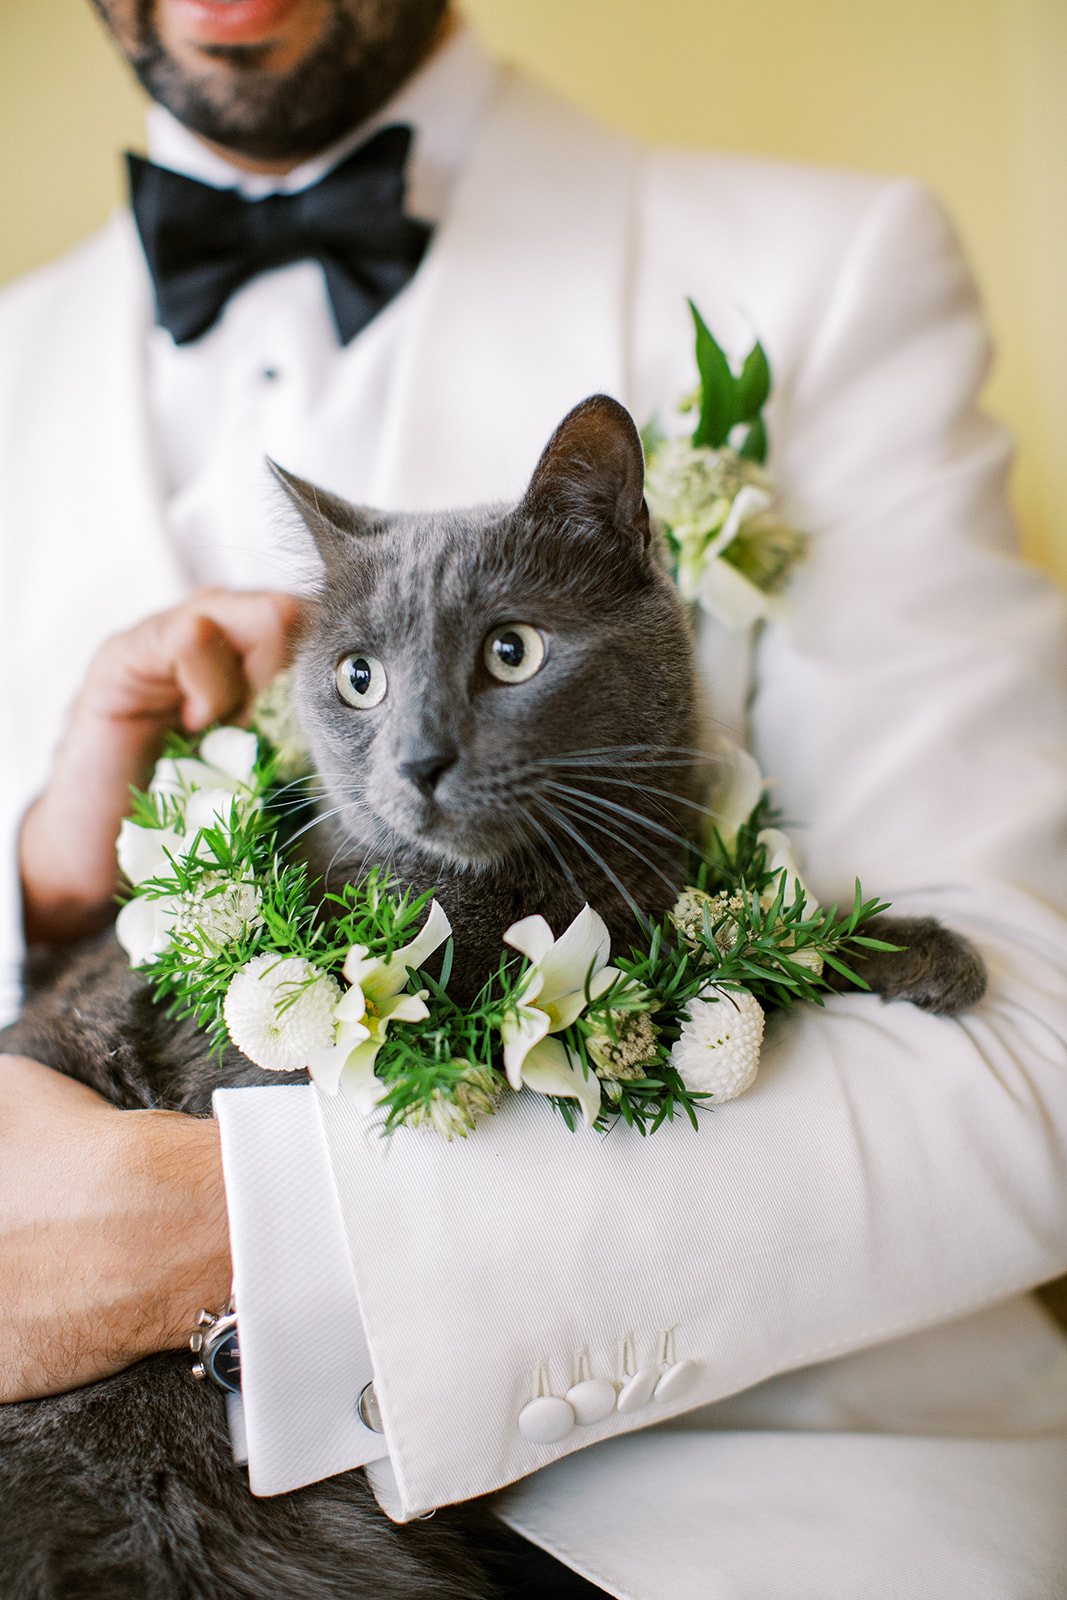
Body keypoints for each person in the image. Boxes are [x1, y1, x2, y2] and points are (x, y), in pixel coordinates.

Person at [2, 1, 1067, 1594]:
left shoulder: (829, 265)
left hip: (739, 1518)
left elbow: (1035, 1044)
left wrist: (252, 1229)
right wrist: (50, 897)